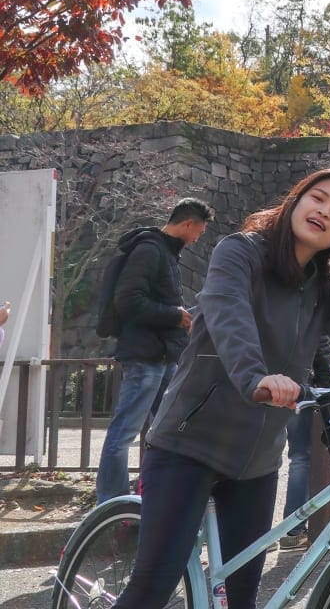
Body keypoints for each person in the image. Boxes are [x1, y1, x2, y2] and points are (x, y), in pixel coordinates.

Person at [116, 167, 330, 609]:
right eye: (318, 198)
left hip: (255, 460)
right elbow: (227, 313)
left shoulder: (324, 285)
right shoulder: (239, 252)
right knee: (153, 587)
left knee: (242, 597)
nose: (324, 212)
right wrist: (254, 376)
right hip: (190, 442)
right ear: (296, 201)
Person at [96, 198, 214, 505]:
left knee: (169, 431)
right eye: (199, 232)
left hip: (163, 356)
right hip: (145, 356)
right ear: (188, 224)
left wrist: (178, 317)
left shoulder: (165, 252)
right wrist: (175, 315)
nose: (198, 238)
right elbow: (128, 301)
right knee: (124, 432)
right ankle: (111, 504)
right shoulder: (150, 250)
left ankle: (154, 492)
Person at [276, 334, 330, 550]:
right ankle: (293, 529)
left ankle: (281, 532)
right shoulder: (310, 308)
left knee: (267, 459)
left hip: (268, 383)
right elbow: (321, 348)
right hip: (300, 388)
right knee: (302, 456)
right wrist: (323, 390)